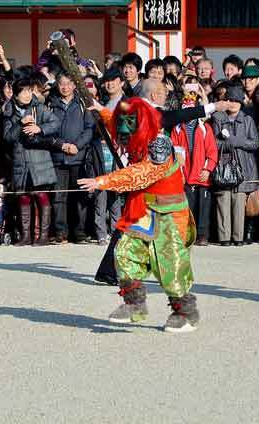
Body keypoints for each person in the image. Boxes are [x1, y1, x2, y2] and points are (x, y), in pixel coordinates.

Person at [79, 98, 200, 333]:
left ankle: (185, 312)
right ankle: (134, 304)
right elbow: (118, 126)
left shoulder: (159, 144)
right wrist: (103, 112)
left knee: (170, 264)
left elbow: (141, 173)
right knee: (124, 253)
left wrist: (104, 180)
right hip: (143, 210)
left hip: (169, 212)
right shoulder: (137, 132)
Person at [3, 78, 67, 246]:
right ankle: (26, 236)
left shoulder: (39, 107)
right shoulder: (9, 110)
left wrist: (40, 128)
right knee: (23, 196)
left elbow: (56, 123)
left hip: (39, 157)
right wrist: (19, 123)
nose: (26, 95)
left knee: (41, 195)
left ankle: (43, 235)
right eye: (23, 92)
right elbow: (8, 137)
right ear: (16, 95)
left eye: (29, 91)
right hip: (20, 159)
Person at [49, 71, 95, 244]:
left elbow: (90, 128)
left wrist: (77, 145)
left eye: (69, 83)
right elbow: (47, 130)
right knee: (58, 196)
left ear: (75, 85)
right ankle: (61, 232)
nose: (65, 87)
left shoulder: (83, 102)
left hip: (79, 156)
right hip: (58, 156)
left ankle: (80, 232)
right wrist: (62, 145)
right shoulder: (51, 104)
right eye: (62, 83)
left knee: (80, 196)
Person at [211, 85, 259, 246]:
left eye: (236, 100)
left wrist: (234, 141)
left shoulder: (247, 120)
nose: (232, 103)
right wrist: (228, 144)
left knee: (239, 202)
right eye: (229, 100)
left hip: (243, 166)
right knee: (223, 200)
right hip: (223, 165)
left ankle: (238, 237)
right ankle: (224, 237)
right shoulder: (218, 118)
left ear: (241, 103)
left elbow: (254, 143)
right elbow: (214, 144)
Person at [170, 89, 218, 246]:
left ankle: (203, 234)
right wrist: (179, 171)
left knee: (203, 207)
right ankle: (187, 234)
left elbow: (212, 151)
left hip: (201, 174)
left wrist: (207, 169)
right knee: (186, 208)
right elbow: (175, 152)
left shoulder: (205, 128)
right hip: (185, 175)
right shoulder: (177, 129)